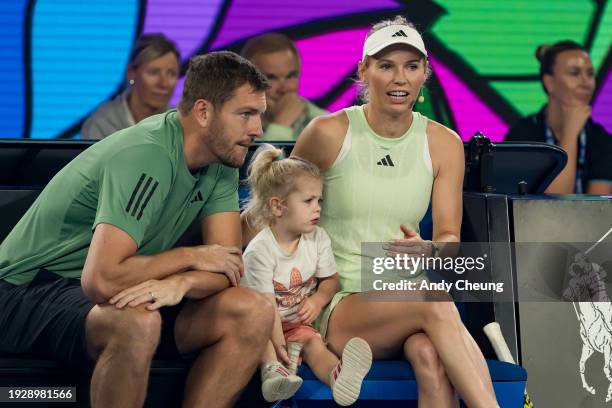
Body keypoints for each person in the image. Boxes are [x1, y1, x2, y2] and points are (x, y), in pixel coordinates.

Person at [245, 16, 499, 407]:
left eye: (411, 67)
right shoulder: (329, 133)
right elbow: (273, 209)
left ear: (425, 74)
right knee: (436, 300)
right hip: (339, 302)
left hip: (409, 304)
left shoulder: (444, 143)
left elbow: (450, 240)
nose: (400, 79)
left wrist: (430, 249)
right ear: (364, 71)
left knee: (430, 357)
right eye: (386, 66)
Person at [0, 51, 273, 408]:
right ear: (204, 112)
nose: (258, 130)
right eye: (245, 115)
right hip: (27, 289)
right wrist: (191, 257)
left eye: (259, 115)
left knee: (253, 310)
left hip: (117, 288)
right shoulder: (147, 153)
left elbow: (227, 266)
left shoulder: (222, 159)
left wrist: (182, 282)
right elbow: (101, 279)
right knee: (136, 322)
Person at [242, 146, 372, 405]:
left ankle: (339, 375)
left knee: (314, 345)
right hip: (265, 323)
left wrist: (317, 301)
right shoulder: (261, 250)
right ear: (278, 207)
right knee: (261, 339)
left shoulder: (317, 238)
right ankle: (273, 373)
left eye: (319, 201)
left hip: (297, 324)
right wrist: (281, 348)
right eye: (308, 201)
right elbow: (266, 307)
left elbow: (330, 281)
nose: (317, 209)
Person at [505, 41, 612, 194]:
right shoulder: (522, 136)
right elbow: (553, 203)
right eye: (574, 73)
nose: (586, 83)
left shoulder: (601, 140)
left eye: (590, 74)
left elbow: (597, 209)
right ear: (549, 83)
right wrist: (570, 134)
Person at [82, 33, 181, 140]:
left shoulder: (183, 125)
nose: (164, 83)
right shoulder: (102, 124)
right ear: (131, 73)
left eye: (171, 74)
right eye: (154, 72)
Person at [240, 33, 328, 141]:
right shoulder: (233, 125)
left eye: (291, 76)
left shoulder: (325, 124)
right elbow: (261, 158)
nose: (284, 89)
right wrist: (282, 124)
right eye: (271, 77)